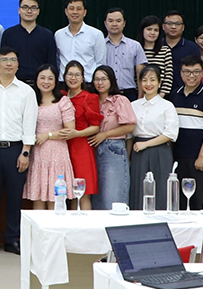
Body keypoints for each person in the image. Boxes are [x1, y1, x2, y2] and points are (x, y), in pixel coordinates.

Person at [0, 46, 36, 256]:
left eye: (13, 60)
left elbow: (29, 123)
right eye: (4, 60)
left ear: (18, 64)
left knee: (14, 197)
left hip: (16, 150)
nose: (9, 63)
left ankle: (13, 240)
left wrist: (26, 152)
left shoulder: (26, 91)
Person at [168, 56, 203, 210]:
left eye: (196, 72)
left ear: (202, 73)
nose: (192, 76)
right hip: (178, 156)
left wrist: (202, 156)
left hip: (199, 158)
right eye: (187, 72)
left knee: (200, 200)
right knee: (180, 201)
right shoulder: (175, 95)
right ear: (181, 73)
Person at [22, 65, 75, 210]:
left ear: (56, 81)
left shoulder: (63, 101)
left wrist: (48, 135)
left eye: (50, 78)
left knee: (55, 200)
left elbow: (70, 130)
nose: (46, 82)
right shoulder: (31, 100)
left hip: (57, 154)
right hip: (38, 154)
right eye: (42, 78)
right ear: (36, 80)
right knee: (37, 199)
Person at [128, 65, 178, 211]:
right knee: (138, 189)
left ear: (159, 82)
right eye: (144, 80)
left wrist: (146, 144)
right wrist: (128, 156)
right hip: (138, 151)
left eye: (152, 80)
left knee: (160, 189)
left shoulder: (167, 106)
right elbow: (129, 134)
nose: (148, 84)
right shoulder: (133, 105)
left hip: (160, 151)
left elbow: (170, 134)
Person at [87, 65, 136, 209]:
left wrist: (105, 134)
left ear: (111, 81)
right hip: (93, 149)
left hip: (113, 148)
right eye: (96, 79)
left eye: (104, 79)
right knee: (97, 200)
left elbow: (130, 126)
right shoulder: (91, 100)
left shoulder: (119, 100)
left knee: (113, 198)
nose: (100, 82)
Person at [61, 61, 102, 209]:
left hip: (81, 148)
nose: (73, 78)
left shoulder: (89, 97)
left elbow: (95, 127)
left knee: (83, 192)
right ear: (64, 76)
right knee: (68, 193)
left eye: (77, 75)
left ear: (83, 78)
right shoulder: (61, 96)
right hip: (63, 148)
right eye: (70, 74)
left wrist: (77, 133)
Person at [1, 0, 56, 86]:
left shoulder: (47, 35)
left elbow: (51, 63)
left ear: (38, 11)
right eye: (25, 7)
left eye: (33, 8)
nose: (29, 11)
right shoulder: (9, 34)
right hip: (15, 84)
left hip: (41, 85)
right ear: (19, 10)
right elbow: (4, 61)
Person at [101, 8, 147, 101]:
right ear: (105, 23)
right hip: (106, 93)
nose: (114, 24)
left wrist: (140, 98)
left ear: (124, 23)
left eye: (118, 21)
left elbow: (141, 74)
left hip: (129, 94)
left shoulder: (135, 45)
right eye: (110, 21)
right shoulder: (100, 46)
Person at [55, 0, 106, 76]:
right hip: (64, 81)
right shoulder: (59, 35)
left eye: (79, 9)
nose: (75, 12)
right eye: (71, 9)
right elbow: (58, 61)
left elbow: (100, 63)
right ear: (66, 12)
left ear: (84, 12)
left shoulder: (96, 34)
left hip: (87, 81)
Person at [161, 11, 198, 91]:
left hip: (184, 93)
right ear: (163, 26)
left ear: (183, 27)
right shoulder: (157, 46)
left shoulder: (192, 48)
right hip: (159, 93)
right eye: (169, 23)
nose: (173, 27)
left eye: (177, 24)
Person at [139, 15, 174, 98]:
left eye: (156, 30)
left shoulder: (165, 50)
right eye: (149, 29)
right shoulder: (136, 49)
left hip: (160, 96)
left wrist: (160, 96)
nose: (152, 33)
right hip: (140, 95)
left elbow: (168, 75)